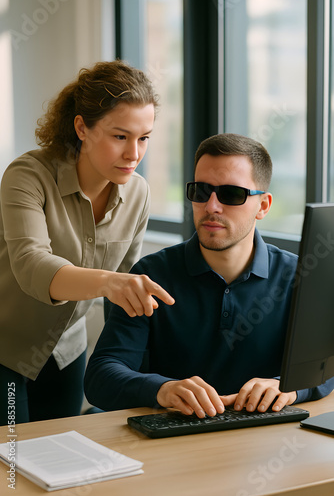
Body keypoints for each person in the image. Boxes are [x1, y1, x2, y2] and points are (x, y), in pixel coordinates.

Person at [84, 133, 334, 418]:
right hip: (174, 443)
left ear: (263, 206)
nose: (211, 206)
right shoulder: (150, 276)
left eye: (231, 194)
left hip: (266, 440)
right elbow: (100, 378)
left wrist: (289, 389)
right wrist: (161, 389)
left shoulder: (301, 277)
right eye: (201, 192)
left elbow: (327, 367)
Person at [0, 60, 174, 425]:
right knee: (9, 468)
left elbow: (126, 292)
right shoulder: (27, 175)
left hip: (67, 352)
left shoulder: (138, 192)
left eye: (144, 138)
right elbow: (32, 264)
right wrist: (109, 282)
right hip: (6, 348)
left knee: (56, 461)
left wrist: (133, 374)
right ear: (82, 127)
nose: (134, 154)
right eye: (119, 136)